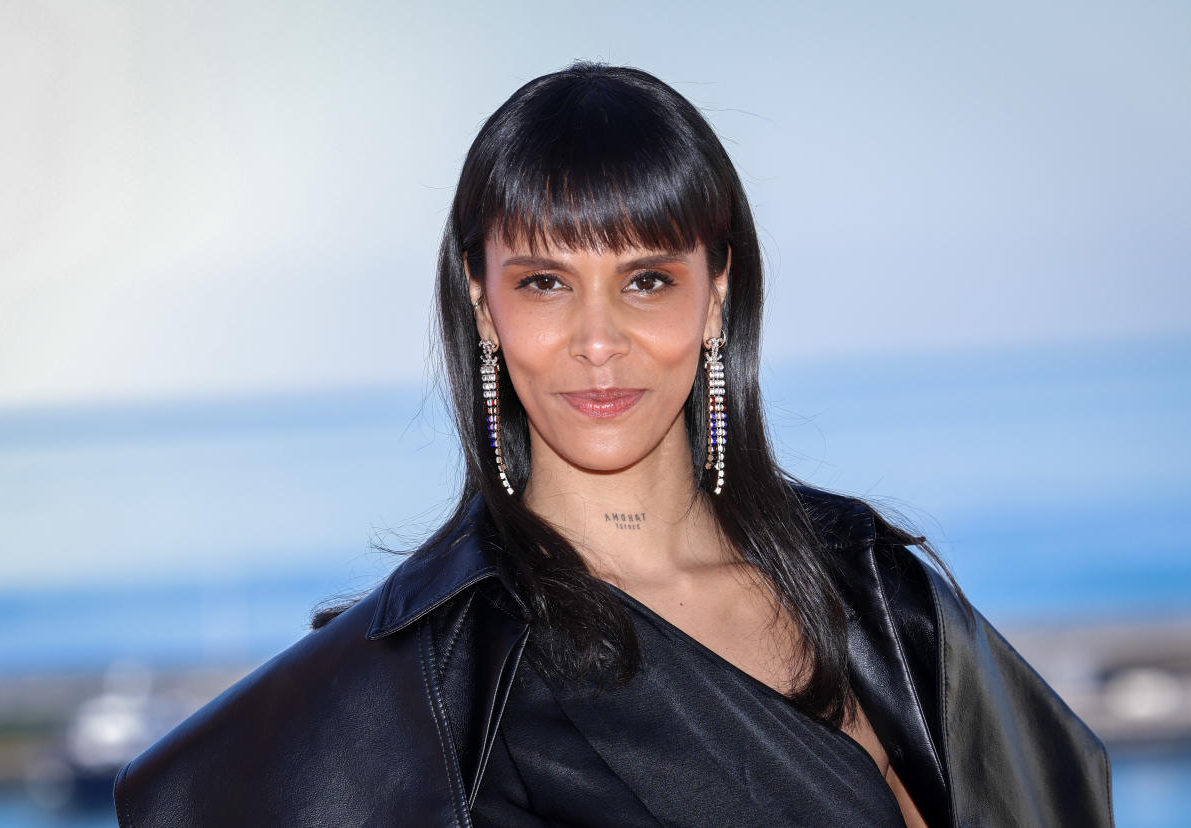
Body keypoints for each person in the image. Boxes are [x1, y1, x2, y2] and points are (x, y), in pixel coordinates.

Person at [112, 62, 1112, 827]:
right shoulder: (422, 677)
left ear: (714, 291)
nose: (598, 343)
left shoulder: (866, 590)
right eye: (543, 282)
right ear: (481, 299)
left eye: (646, 280)